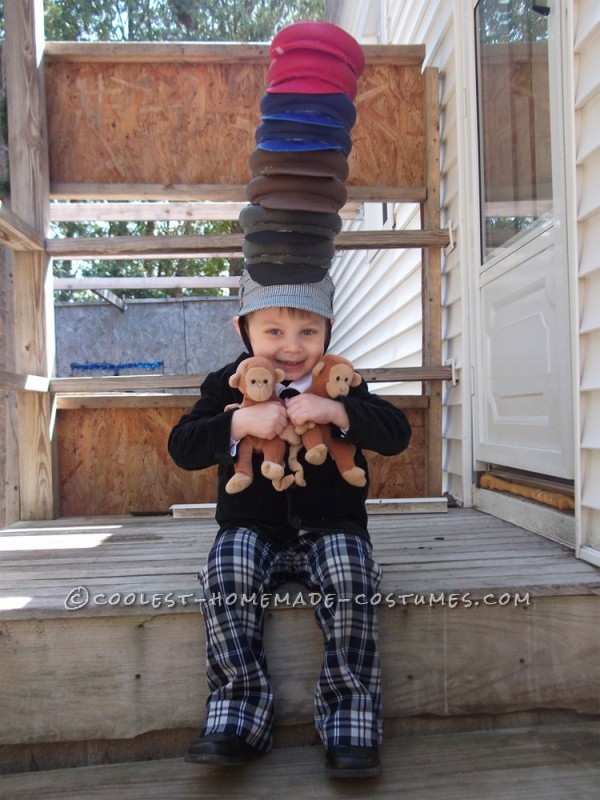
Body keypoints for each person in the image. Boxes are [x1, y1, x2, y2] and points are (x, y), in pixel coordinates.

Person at [168, 270, 412, 778]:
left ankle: (350, 716)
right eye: (273, 331)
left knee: (351, 576)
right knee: (227, 570)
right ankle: (239, 710)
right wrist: (237, 423)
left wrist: (337, 411)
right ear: (244, 331)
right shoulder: (228, 384)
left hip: (333, 527)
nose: (291, 346)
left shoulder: (342, 380)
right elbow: (183, 445)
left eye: (307, 331)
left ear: (327, 330)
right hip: (252, 527)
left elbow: (397, 433)